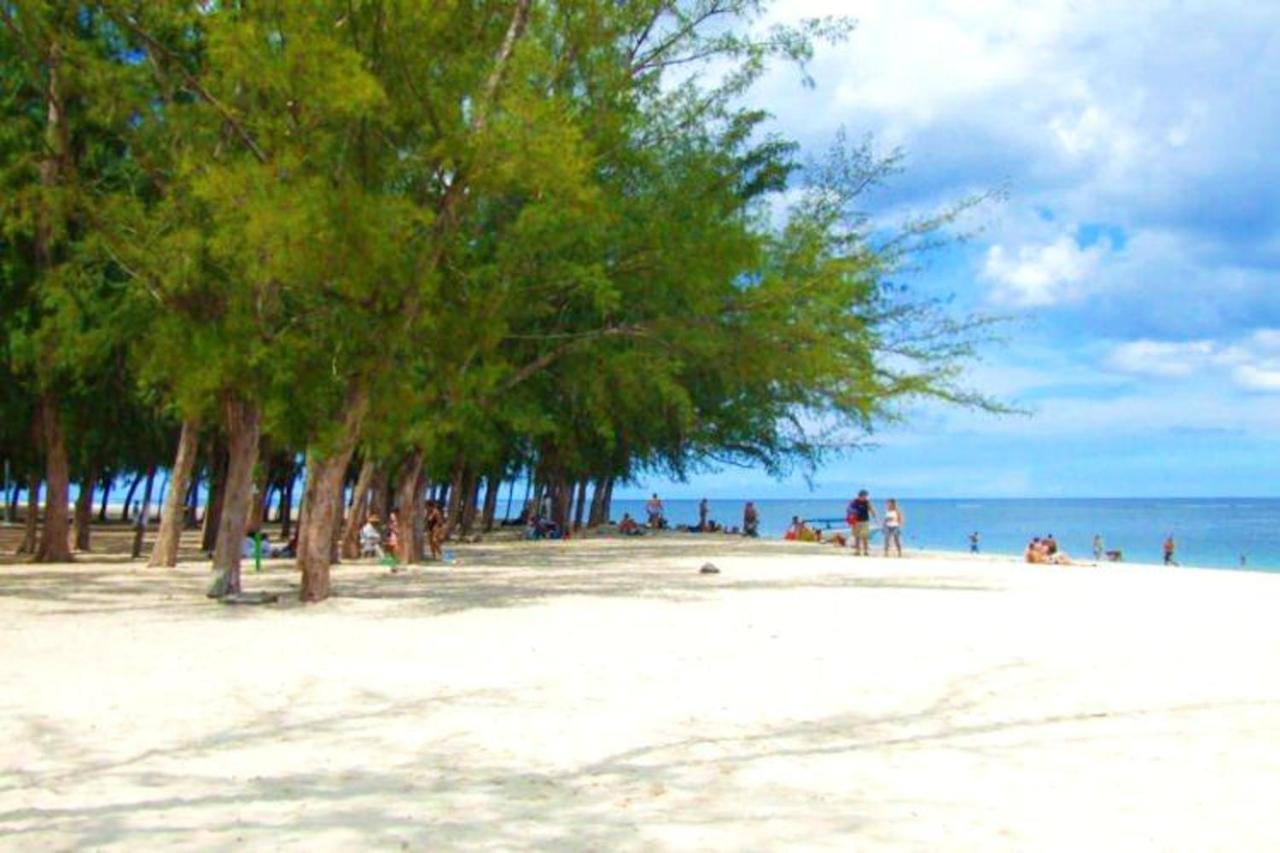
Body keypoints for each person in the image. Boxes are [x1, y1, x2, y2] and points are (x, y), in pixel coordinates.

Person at [846, 489, 877, 555]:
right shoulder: (854, 502)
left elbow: (871, 509)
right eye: (865, 495)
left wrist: (875, 517)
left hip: (865, 521)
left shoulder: (867, 502)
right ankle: (857, 551)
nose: (866, 497)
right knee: (857, 537)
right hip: (856, 521)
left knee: (865, 537)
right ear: (861, 495)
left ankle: (866, 551)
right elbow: (848, 510)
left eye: (866, 496)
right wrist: (850, 520)